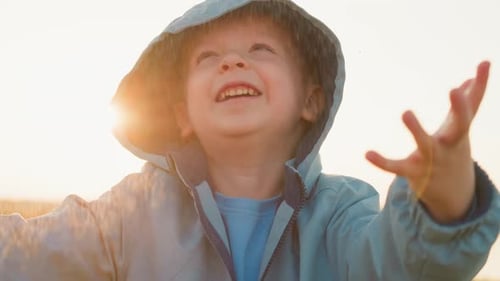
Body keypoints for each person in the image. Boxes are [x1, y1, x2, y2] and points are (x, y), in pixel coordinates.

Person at [1, 0, 499, 280]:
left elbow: (405, 264)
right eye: (207, 57)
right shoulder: (133, 213)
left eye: (260, 49)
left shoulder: (341, 213)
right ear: (182, 116)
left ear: (310, 100)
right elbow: (29, 252)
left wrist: (446, 192)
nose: (233, 62)